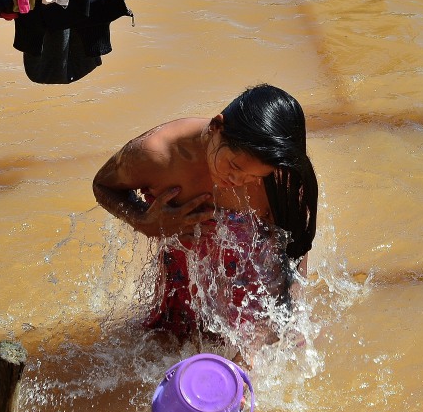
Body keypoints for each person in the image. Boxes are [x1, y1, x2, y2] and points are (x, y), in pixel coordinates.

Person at [92, 84, 318, 346]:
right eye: (233, 165)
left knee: (271, 352)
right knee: (163, 347)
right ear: (216, 127)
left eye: (254, 176)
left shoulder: (279, 177)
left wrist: (289, 318)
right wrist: (144, 221)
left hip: (255, 289)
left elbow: (294, 248)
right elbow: (103, 186)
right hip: (184, 282)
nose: (237, 179)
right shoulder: (158, 154)